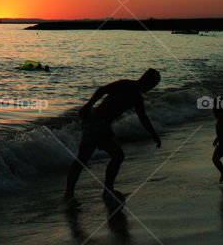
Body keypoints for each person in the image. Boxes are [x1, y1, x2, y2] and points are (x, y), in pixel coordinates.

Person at [64, 68, 161, 204]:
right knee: (98, 157)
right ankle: (96, 190)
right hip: (96, 122)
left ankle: (77, 192)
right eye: (152, 84)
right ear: (145, 80)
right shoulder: (126, 85)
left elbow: (143, 118)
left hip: (101, 124)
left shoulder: (137, 97)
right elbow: (102, 90)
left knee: (101, 157)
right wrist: (88, 105)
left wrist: (154, 135)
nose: (151, 88)